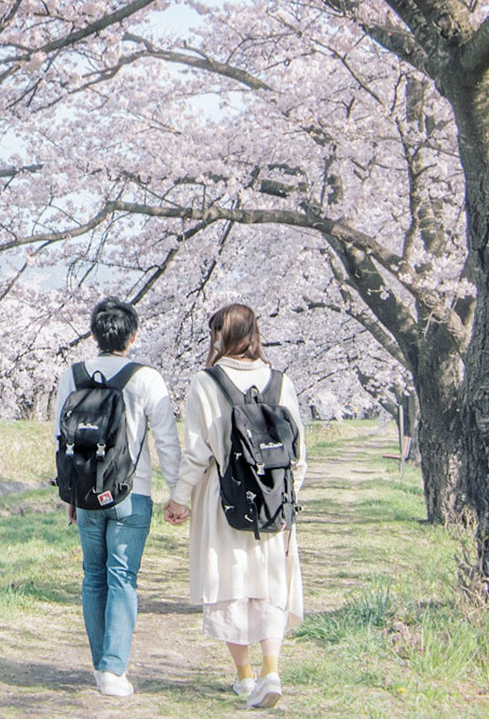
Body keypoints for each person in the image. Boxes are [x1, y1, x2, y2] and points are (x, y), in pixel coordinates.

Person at [164, 303, 307, 709]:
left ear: (218, 337)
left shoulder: (206, 382)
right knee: (270, 585)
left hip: (223, 498)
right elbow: (298, 454)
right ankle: (272, 669)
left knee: (230, 585)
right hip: (274, 501)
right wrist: (285, 497)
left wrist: (179, 499)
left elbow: (196, 452)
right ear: (255, 334)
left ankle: (245, 678)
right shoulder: (282, 382)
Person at [53, 297, 181, 698]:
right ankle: (112, 669)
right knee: (122, 577)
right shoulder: (146, 378)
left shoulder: (71, 375)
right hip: (131, 492)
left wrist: (69, 493)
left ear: (94, 334)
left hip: (87, 494)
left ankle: (99, 665)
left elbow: (61, 438)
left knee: (93, 576)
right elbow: (167, 441)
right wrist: (178, 492)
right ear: (133, 334)